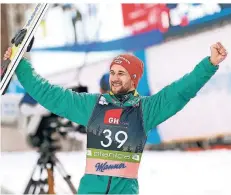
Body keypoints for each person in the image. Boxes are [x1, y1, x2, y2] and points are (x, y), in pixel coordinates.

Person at [3, 42, 228, 194]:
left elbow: (180, 91)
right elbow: (51, 95)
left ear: (134, 79)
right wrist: (20, 66)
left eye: (121, 73)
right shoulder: (93, 106)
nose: (115, 78)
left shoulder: (145, 110)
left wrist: (208, 65)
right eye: (112, 73)